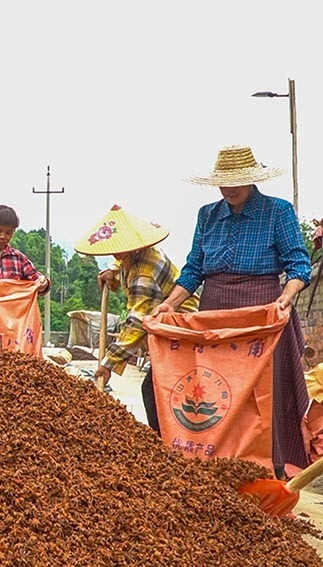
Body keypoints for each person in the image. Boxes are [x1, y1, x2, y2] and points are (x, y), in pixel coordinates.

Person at [155, 144, 311, 478]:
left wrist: (286, 296)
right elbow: (194, 269)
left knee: (263, 392)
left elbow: (299, 264)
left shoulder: (277, 212)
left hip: (261, 315)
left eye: (237, 179)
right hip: (215, 313)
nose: (230, 187)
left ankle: (271, 466)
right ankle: (217, 460)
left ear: (252, 179)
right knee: (216, 386)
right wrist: (170, 303)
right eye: (224, 181)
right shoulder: (207, 215)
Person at [74, 205, 199, 435]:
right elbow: (121, 262)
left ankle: (167, 444)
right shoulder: (132, 255)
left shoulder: (145, 270)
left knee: (155, 391)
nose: (116, 254)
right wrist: (112, 271)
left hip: (180, 333)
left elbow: (137, 321)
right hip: (164, 333)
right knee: (158, 389)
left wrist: (108, 363)